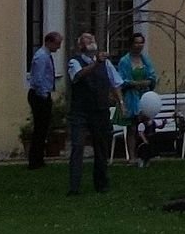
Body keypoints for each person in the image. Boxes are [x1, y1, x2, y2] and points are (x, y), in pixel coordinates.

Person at [64, 31, 118, 194]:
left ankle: (101, 183)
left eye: (93, 38)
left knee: (101, 147)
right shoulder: (74, 62)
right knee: (78, 146)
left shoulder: (106, 64)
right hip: (80, 111)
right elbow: (78, 76)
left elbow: (115, 82)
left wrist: (120, 102)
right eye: (88, 39)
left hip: (100, 110)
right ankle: (74, 187)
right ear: (81, 45)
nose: (92, 40)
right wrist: (96, 64)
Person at [116, 33, 158, 160]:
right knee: (132, 127)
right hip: (132, 97)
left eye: (141, 43)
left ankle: (147, 153)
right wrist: (133, 83)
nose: (139, 45)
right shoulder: (124, 61)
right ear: (131, 44)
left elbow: (152, 75)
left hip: (145, 96)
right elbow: (121, 80)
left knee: (147, 125)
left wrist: (149, 82)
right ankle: (132, 156)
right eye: (136, 42)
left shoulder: (145, 59)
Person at [25, 30, 62, 168]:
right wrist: (43, 94)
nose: (58, 47)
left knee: (43, 127)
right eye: (57, 44)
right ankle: (35, 160)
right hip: (39, 95)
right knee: (40, 128)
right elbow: (38, 78)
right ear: (49, 42)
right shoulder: (41, 57)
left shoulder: (45, 55)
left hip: (42, 94)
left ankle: (38, 158)